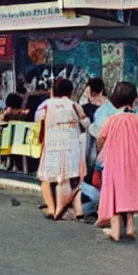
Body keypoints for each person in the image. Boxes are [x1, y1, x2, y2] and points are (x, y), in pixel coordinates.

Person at [96, 82, 138, 241]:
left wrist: (99, 151)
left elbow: (101, 138)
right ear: (133, 100)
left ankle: (115, 231)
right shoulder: (137, 120)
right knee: (128, 192)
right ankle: (130, 227)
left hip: (115, 161)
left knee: (115, 193)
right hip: (134, 161)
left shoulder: (112, 119)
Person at [35, 78, 90, 220]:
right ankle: (73, 210)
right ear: (71, 91)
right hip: (73, 148)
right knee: (70, 179)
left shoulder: (45, 105)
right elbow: (86, 124)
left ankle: (57, 209)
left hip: (52, 146)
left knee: (57, 179)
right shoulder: (74, 106)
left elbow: (37, 119)